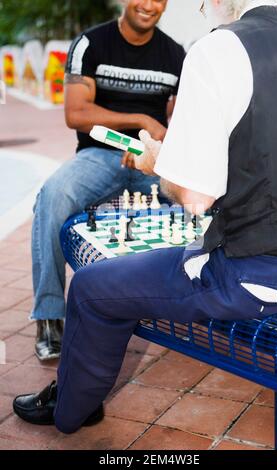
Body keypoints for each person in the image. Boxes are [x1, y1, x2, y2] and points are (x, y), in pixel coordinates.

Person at [14, 0, 277, 434]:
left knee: (92, 289)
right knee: (60, 196)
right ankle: (50, 322)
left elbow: (195, 197)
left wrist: (157, 162)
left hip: (257, 275)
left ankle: (69, 411)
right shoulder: (94, 42)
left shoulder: (218, 49)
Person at [31, 0, 185, 361]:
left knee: (198, 203)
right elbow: (76, 113)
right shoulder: (91, 43)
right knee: (52, 196)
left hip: (150, 161)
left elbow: (177, 124)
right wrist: (142, 122)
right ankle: (50, 317)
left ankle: (194, 311)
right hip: (100, 156)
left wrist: (155, 148)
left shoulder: (174, 54)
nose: (149, 5)